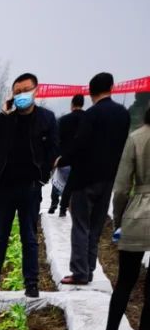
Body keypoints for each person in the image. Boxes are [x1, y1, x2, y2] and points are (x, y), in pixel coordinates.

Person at [0, 72, 58, 298]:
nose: (22, 95)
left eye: (25, 90)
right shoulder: (7, 120)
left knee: (29, 237)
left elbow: (53, 149)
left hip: (30, 188)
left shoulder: (46, 119)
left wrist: (43, 176)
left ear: (36, 90)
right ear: (12, 96)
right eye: (17, 92)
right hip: (4, 187)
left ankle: (31, 283)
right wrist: (3, 114)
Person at [57, 72, 131, 285]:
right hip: (108, 178)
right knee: (96, 227)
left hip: (85, 178)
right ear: (112, 87)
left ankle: (80, 272)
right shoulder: (122, 114)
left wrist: (61, 160)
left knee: (80, 225)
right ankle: (89, 270)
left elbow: (80, 145)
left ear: (91, 92)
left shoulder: (91, 115)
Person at [96, 105, 150, 330]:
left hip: (138, 214)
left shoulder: (137, 138)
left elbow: (120, 190)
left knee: (125, 281)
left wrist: (119, 219)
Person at [49, 93, 84, 214]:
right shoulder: (88, 119)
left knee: (58, 181)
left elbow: (56, 140)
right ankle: (65, 207)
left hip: (64, 157)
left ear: (72, 104)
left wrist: (55, 157)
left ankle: (54, 204)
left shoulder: (63, 120)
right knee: (74, 185)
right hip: (81, 159)